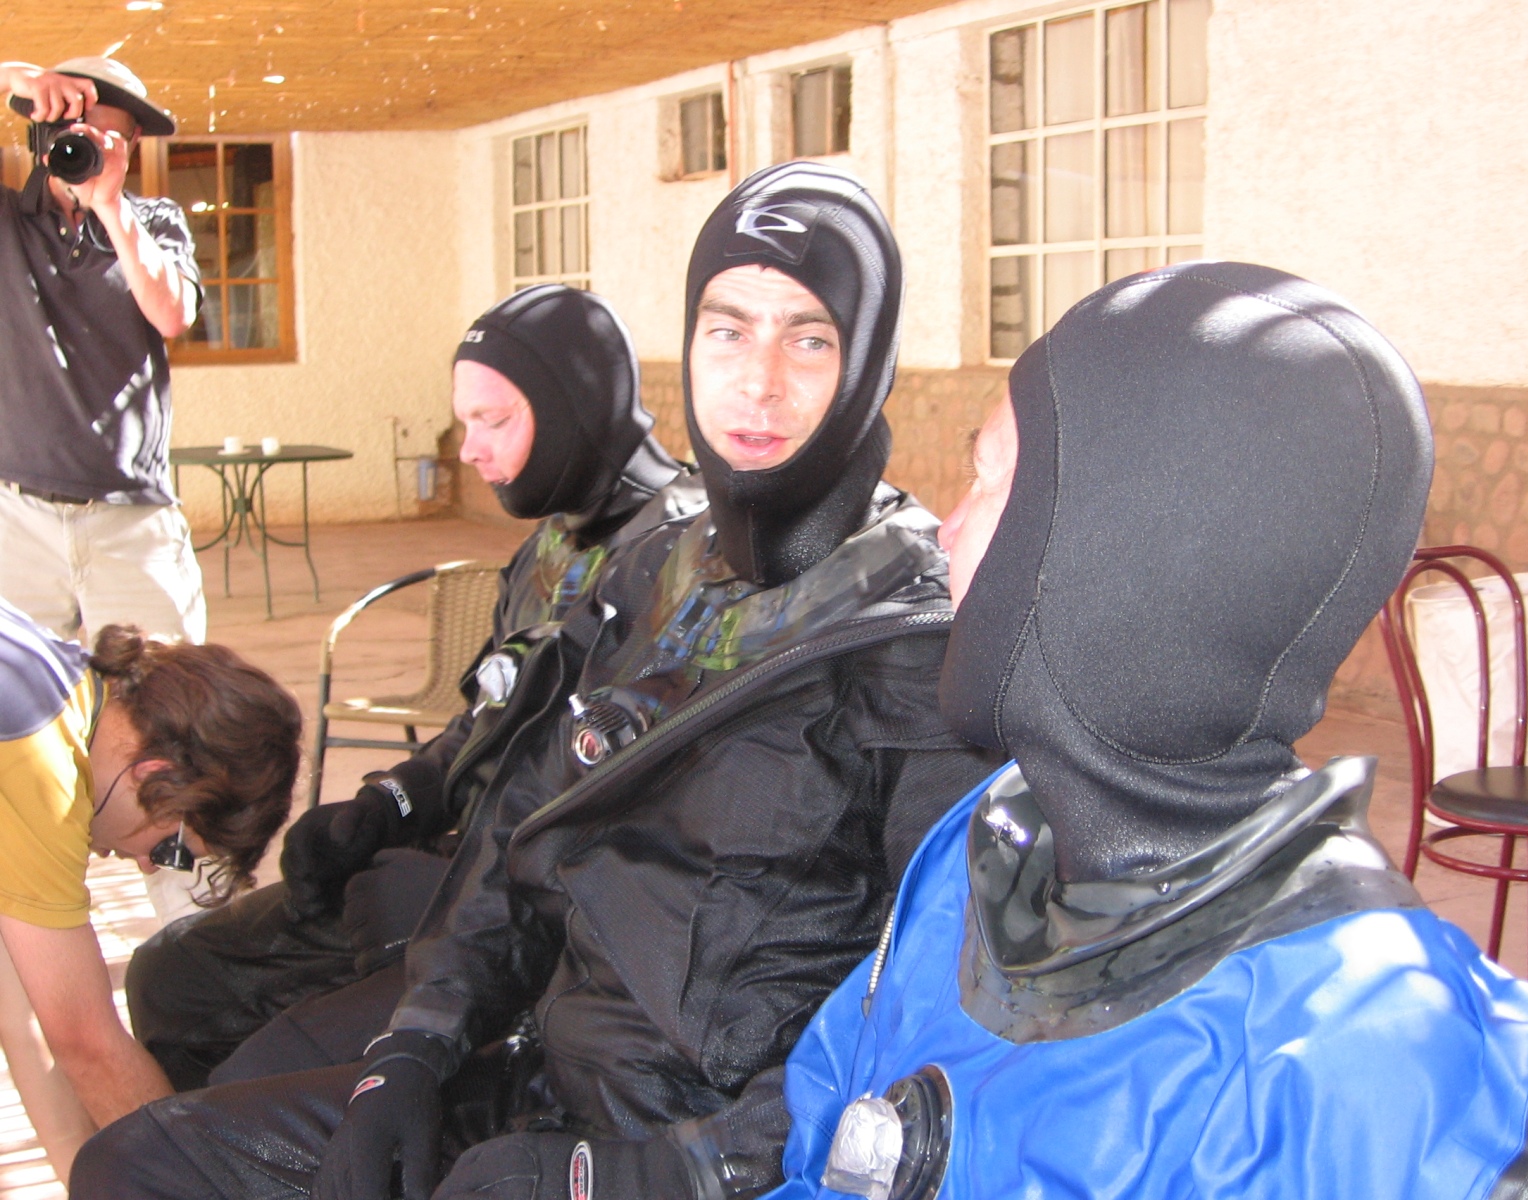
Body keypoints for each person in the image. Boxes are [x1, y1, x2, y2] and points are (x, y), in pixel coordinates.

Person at [69, 161, 1000, 1200]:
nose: (759, 382)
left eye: (809, 339)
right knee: (138, 1165)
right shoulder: (657, 575)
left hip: (705, 1149)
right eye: (728, 331)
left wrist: (670, 1170)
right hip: (540, 1068)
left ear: (869, 361)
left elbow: (939, 1025)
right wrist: (416, 1045)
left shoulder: (918, 635)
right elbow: (522, 819)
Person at [767, 261, 1528, 1200]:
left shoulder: (1375, 1075)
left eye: (989, 482)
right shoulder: (994, 845)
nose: (944, 531)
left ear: (1123, 554)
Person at [123, 284, 704, 1090]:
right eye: (465, 422)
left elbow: (655, 819)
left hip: (541, 933)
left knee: (251, 1081)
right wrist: (390, 804)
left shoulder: (690, 568)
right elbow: (487, 721)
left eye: (492, 421)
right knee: (172, 975)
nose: (468, 450)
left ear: (575, 409)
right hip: (453, 874)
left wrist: (459, 895)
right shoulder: (550, 547)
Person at [0, 599, 300, 1182]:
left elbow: (27, 1013)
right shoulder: (42, 766)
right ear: (153, 773)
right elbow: (87, 1043)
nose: (142, 863)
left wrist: (81, 1176)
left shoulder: (53, 684)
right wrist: (194, 1188)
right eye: (169, 850)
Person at [0, 56, 204, 645]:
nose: (86, 146)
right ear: (42, 137)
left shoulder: (154, 220)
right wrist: (17, 77)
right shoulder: (8, 218)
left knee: (163, 692)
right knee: (17, 699)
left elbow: (173, 315)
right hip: (15, 516)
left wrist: (111, 207)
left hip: (133, 516)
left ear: (132, 144)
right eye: (73, 132)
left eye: (107, 137)